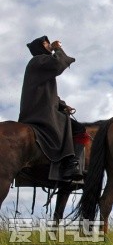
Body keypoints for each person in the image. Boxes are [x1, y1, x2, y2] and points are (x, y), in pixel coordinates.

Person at [19, 36, 83, 180]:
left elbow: (49, 94)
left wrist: (63, 105)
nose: (48, 44)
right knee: (72, 125)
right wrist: (57, 48)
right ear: (41, 47)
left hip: (39, 109)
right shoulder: (38, 60)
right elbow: (59, 63)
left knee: (74, 125)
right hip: (41, 112)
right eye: (45, 43)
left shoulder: (40, 65)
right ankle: (69, 163)